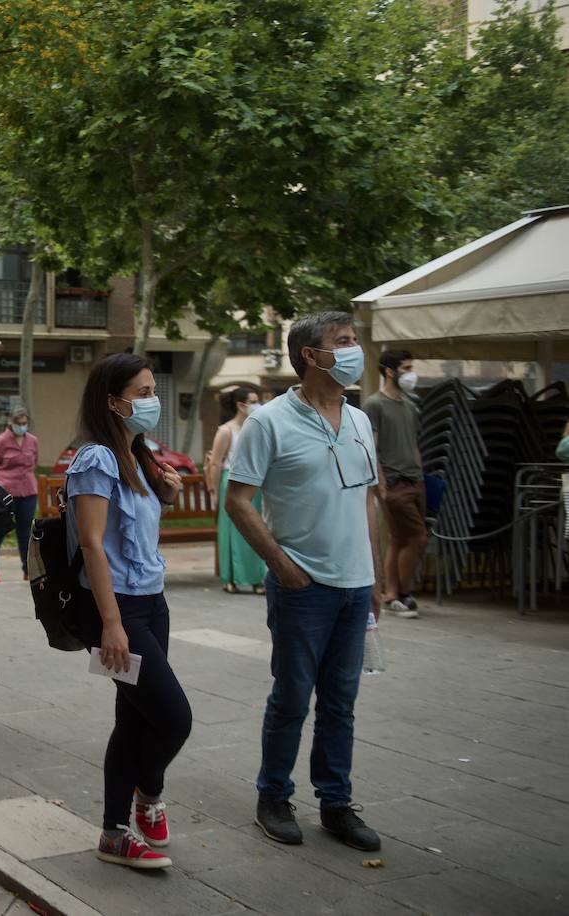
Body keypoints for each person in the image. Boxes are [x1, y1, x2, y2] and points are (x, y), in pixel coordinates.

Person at [226, 310, 383, 853]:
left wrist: (376, 578)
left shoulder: (360, 420)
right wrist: (281, 565)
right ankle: (273, 797)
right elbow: (238, 500)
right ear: (311, 356)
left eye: (354, 341)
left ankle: (336, 804)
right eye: (343, 342)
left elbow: (366, 500)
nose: (354, 350)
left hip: (355, 585)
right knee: (292, 697)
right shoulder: (269, 421)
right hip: (303, 588)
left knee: (342, 701)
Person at [63, 353, 190, 870]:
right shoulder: (96, 458)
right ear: (112, 401)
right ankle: (149, 792)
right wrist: (111, 624)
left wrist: (164, 493)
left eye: (152, 390)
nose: (151, 400)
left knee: (135, 719)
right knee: (174, 717)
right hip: (118, 611)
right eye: (141, 393)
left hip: (152, 602)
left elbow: (131, 533)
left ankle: (114, 834)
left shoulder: (137, 454)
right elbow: (92, 545)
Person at [364, 350, 426, 619]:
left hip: (415, 480)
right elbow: (371, 448)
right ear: (389, 371)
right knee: (418, 538)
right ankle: (400, 592)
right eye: (406, 368)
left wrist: (421, 477)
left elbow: (414, 444)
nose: (411, 373)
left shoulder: (410, 406)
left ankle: (391, 593)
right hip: (393, 482)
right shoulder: (374, 404)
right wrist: (381, 483)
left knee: (400, 539)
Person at [207, 386, 267, 596]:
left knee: (256, 529)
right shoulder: (226, 430)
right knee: (230, 531)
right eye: (253, 401)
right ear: (240, 405)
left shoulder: (258, 427)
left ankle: (257, 578)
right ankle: (230, 578)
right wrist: (213, 491)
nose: (257, 404)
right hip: (230, 482)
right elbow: (215, 463)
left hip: (254, 484)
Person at [0, 408, 40, 583]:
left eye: (25, 424)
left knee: (25, 533)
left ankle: (27, 569)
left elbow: (35, 462)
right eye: (19, 423)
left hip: (28, 491)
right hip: (4, 491)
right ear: (11, 423)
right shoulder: (1, 441)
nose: (22, 427)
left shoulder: (32, 441)